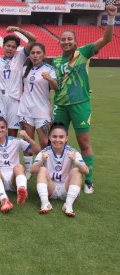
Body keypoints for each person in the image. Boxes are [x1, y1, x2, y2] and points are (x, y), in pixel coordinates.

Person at [51, 4, 117, 194]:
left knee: (84, 143)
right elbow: (56, 85)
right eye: (63, 40)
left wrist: (111, 18)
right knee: (56, 142)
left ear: (75, 41)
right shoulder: (55, 61)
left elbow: (106, 38)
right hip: (60, 106)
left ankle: (88, 180)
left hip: (80, 105)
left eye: (69, 39)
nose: (66, 42)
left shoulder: (84, 52)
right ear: (59, 42)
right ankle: (60, 175)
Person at [31, 122, 89, 217]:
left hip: (66, 189)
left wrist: (75, 161)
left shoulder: (73, 152)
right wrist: (41, 160)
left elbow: (86, 171)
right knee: (42, 170)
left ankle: (68, 205)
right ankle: (45, 203)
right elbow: (33, 171)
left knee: (77, 171)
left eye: (61, 137)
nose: (57, 140)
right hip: (50, 188)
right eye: (54, 136)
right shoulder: (44, 152)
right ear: (49, 137)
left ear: (66, 138)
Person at [18, 43, 58, 178]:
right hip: (26, 110)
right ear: (29, 55)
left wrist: (50, 79)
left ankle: (47, 168)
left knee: (45, 142)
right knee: (28, 142)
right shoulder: (24, 69)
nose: (35, 55)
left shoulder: (49, 69)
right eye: (33, 53)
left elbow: (56, 87)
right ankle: (29, 170)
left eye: (38, 53)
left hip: (42, 110)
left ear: (44, 55)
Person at [0, 117, 40, 213]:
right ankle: (4, 200)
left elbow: (37, 151)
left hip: (14, 179)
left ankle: (22, 190)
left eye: (2, 127)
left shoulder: (15, 141)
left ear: (6, 129)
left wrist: (27, 137)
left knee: (19, 166)